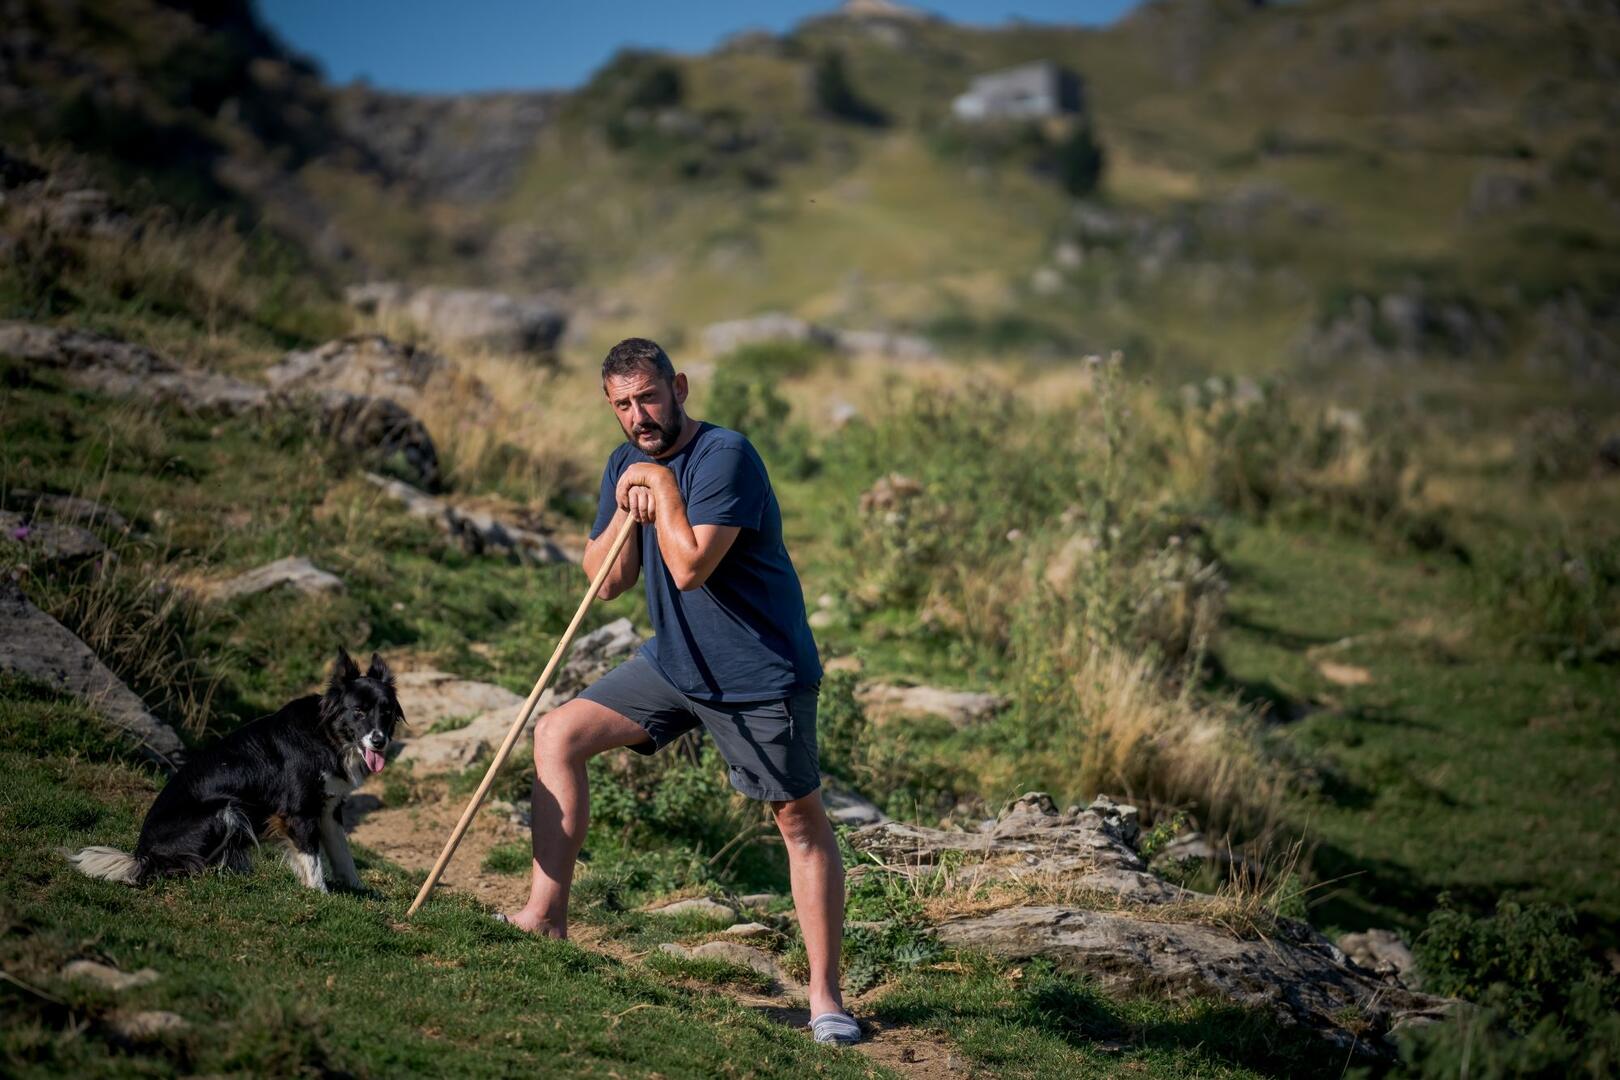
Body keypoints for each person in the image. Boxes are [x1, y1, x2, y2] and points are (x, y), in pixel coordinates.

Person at [502, 338, 859, 1045]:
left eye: (649, 397)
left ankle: (825, 999)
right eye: (623, 405)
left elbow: (692, 565)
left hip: (760, 675)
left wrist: (662, 489)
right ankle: (545, 915)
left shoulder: (725, 456)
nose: (639, 415)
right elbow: (606, 583)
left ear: (680, 387)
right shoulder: (622, 462)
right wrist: (627, 508)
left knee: (798, 822)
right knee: (557, 734)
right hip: (675, 663)